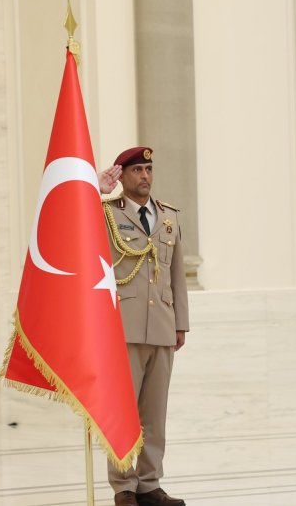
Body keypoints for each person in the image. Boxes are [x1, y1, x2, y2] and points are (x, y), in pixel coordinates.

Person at [97, 147, 190, 506]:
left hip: (163, 328)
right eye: (137, 170)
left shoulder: (169, 217)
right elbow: (73, 222)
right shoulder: (106, 213)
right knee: (122, 413)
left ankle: (149, 483)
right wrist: (95, 189)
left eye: (148, 169)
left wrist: (180, 324)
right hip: (123, 328)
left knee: (155, 414)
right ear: (121, 176)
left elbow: (177, 275)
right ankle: (123, 486)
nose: (145, 176)